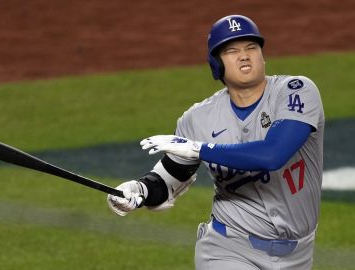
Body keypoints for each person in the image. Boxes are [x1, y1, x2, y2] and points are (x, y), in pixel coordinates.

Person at [107, 14, 324, 270]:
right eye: (232, 51)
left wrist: (200, 149)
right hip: (228, 249)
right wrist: (140, 191)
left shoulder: (295, 92)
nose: (244, 55)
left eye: (251, 48)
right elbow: (168, 181)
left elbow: (272, 155)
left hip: (298, 254)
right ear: (216, 65)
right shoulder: (198, 119)